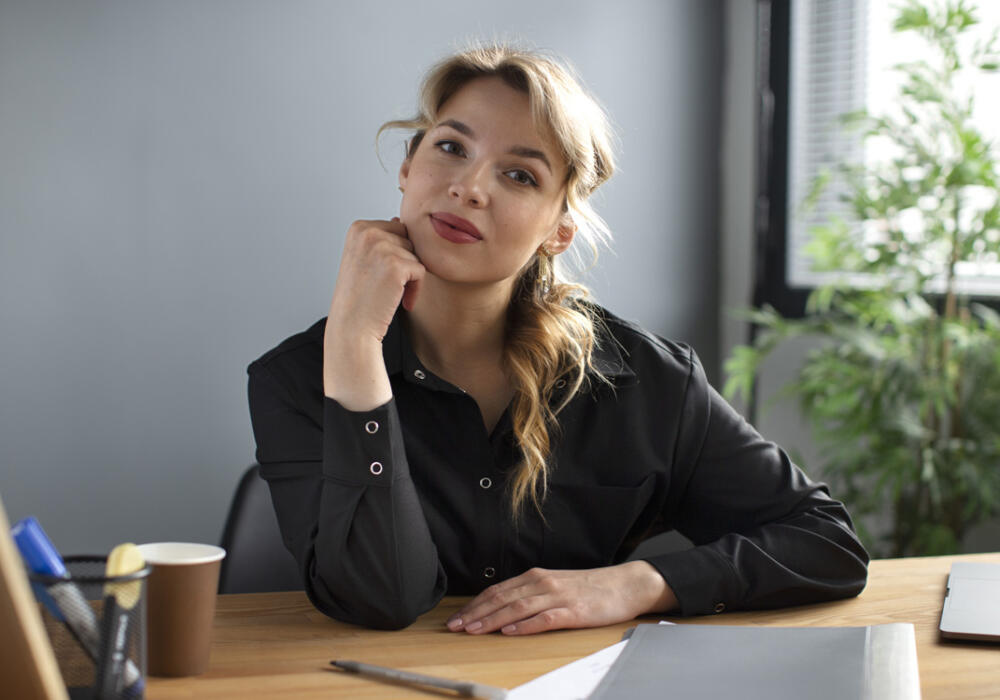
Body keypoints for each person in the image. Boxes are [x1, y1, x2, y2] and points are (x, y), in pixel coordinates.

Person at [247, 44, 868, 634]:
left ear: (558, 231)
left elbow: (826, 543)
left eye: (519, 175)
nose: (470, 187)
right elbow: (382, 600)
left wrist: (638, 584)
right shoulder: (297, 380)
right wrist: (355, 349)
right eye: (451, 147)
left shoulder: (649, 381)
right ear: (408, 169)